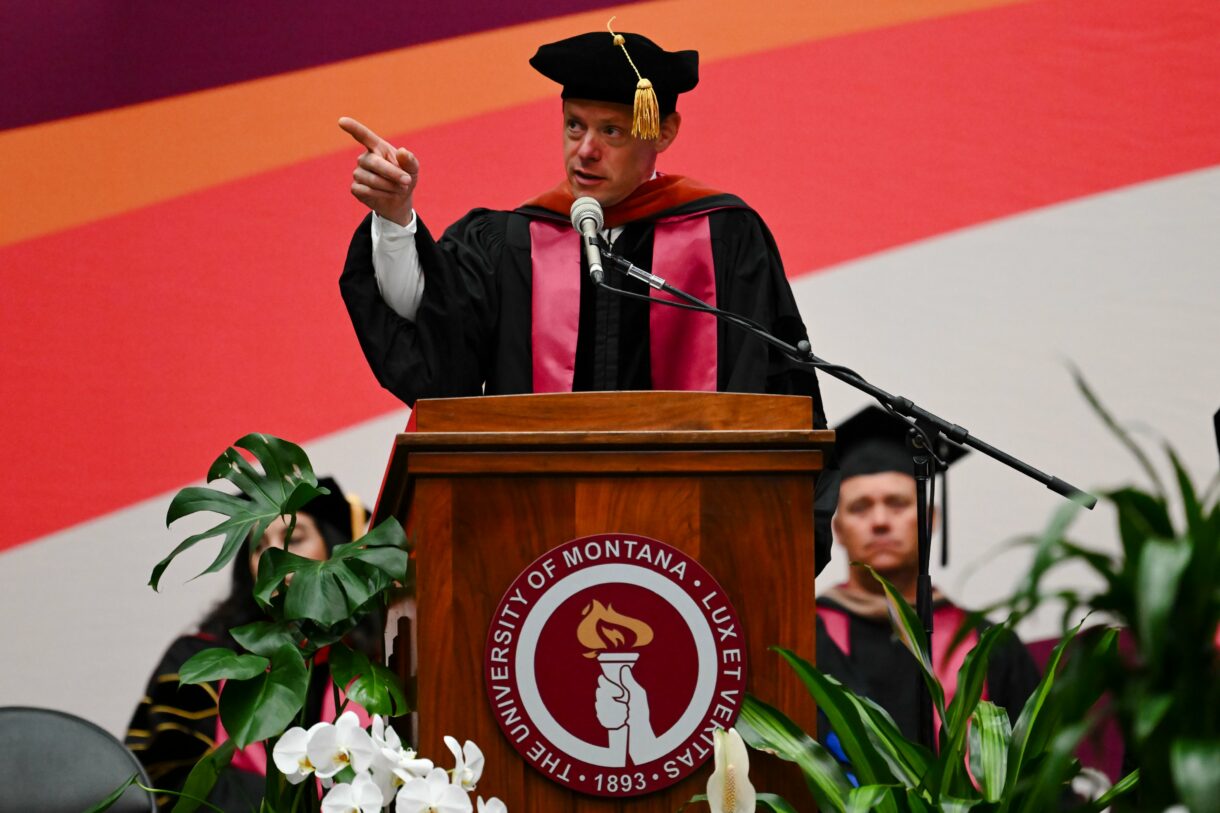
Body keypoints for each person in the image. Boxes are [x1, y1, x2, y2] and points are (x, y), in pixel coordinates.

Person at [337, 26, 836, 569]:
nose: (585, 151)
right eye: (574, 126)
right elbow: (430, 331)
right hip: (531, 542)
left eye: (612, 132)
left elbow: (778, 389)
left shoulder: (724, 237)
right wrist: (394, 218)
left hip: (694, 544)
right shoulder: (512, 242)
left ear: (663, 131)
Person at [126, 479, 378, 811]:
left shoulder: (376, 665)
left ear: (335, 552)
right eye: (258, 547)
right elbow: (168, 782)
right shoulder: (206, 662)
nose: (274, 558)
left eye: (294, 538)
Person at [816, 406, 1040, 742]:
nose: (879, 522)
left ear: (930, 519)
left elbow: (1038, 778)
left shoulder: (991, 647)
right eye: (860, 507)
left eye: (897, 504)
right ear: (838, 529)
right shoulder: (807, 638)